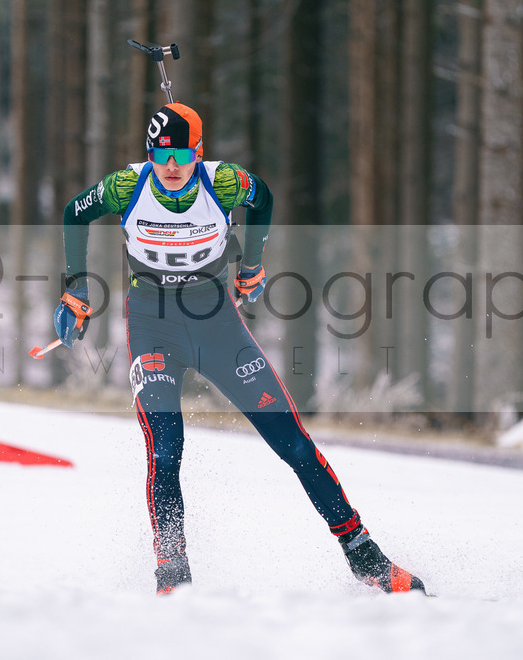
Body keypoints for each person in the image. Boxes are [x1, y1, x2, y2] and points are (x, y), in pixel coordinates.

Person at [56, 102, 426, 596]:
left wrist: (252, 264)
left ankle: (366, 559)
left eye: (182, 154)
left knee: (293, 442)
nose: (170, 165)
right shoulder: (127, 186)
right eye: (161, 154)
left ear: (199, 152)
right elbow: (73, 215)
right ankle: (173, 576)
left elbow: (265, 199)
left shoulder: (224, 182)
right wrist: (75, 289)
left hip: (216, 323)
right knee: (166, 450)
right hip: (153, 324)